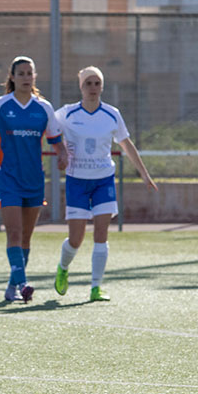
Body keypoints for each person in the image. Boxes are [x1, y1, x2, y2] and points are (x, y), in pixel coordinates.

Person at [53, 66, 158, 301]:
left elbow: (126, 144)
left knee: (101, 233)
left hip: (103, 180)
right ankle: (63, 267)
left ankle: (96, 287)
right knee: (76, 239)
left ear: (102, 86)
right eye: (88, 83)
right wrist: (60, 149)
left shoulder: (112, 114)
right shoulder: (67, 114)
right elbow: (48, 129)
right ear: (80, 86)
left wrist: (143, 173)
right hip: (77, 181)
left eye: (97, 83)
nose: (93, 88)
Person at [0, 56, 68, 302]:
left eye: (30, 73)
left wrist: (62, 155)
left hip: (34, 180)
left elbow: (56, 140)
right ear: (12, 77)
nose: (26, 77)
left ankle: (12, 287)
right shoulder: (0, 105)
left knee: (26, 237)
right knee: (14, 233)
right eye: (22, 73)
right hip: (7, 179)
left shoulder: (44, 108)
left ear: (34, 77)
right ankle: (23, 282)